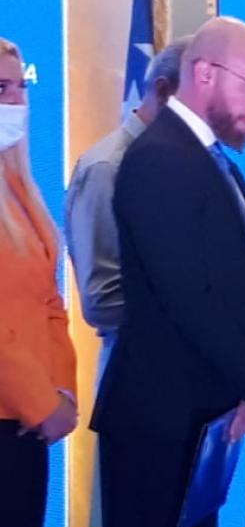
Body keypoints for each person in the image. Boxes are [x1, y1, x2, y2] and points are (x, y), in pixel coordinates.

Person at [91, 16, 245, 527]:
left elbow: (237, 282)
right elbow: (189, 296)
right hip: (158, 423)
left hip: (202, 418)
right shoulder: (159, 159)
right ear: (204, 74)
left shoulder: (214, 161)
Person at [66, 36, 189, 387]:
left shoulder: (188, 164)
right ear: (163, 91)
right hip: (136, 374)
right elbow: (102, 299)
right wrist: (194, 313)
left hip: (191, 374)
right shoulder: (107, 168)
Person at [0, 37, 77, 527]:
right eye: (0, 89)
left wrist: (63, 392)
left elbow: (49, 303)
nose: (15, 100)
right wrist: (41, 405)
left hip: (26, 427)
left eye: (19, 87)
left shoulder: (19, 189)